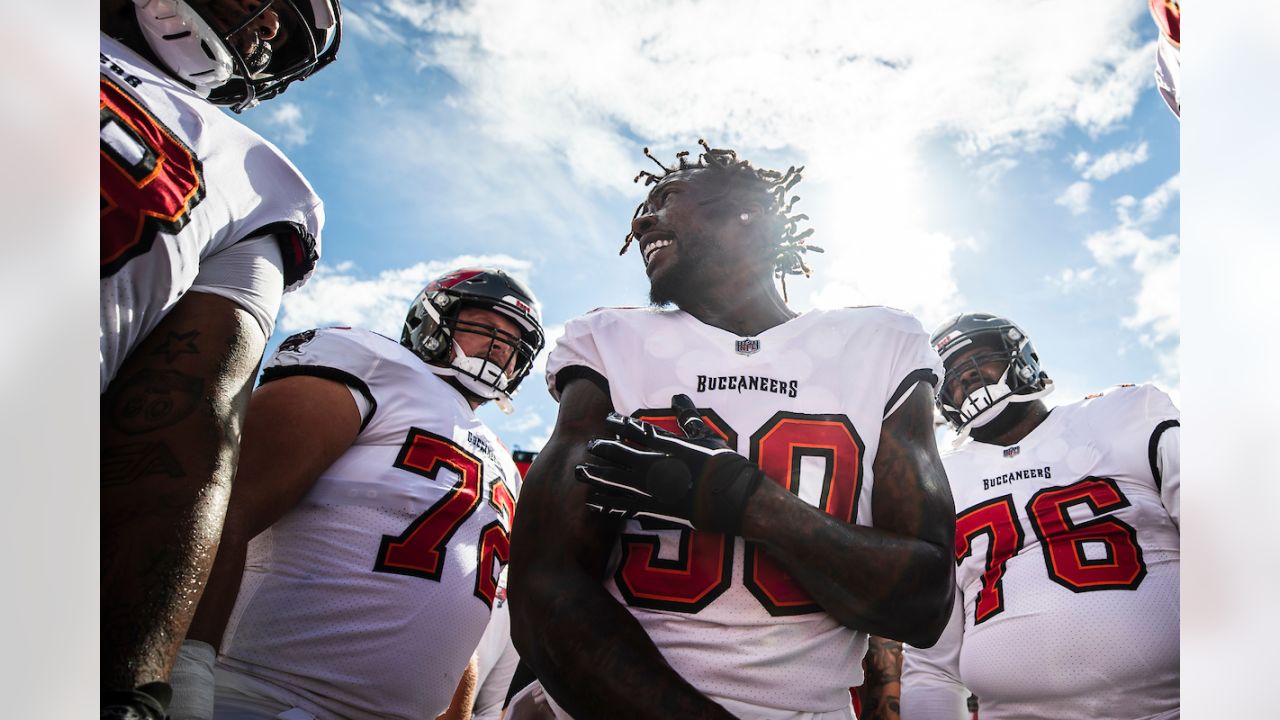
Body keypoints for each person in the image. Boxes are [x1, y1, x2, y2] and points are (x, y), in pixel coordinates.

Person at [508, 142, 957, 720]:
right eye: (643, 205)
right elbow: (546, 591)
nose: (642, 219)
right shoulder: (611, 340)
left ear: (751, 215)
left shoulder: (880, 343)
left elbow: (922, 604)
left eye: (666, 198)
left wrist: (752, 505)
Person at [100, 1, 342, 716]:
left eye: (286, 35)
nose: (267, 28)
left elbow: (188, 426)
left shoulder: (257, 175)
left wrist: (129, 683)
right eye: (268, 6)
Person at [165, 268, 545, 720]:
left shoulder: (506, 466)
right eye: (485, 325)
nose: (501, 344)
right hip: (266, 696)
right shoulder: (374, 364)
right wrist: (185, 663)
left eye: (513, 340)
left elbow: (455, 610)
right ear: (431, 322)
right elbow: (223, 501)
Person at [900, 312, 1180, 720]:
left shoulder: (1125, 414)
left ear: (1021, 355)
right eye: (953, 378)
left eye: (978, 360)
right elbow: (931, 667)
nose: (966, 380)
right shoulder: (939, 482)